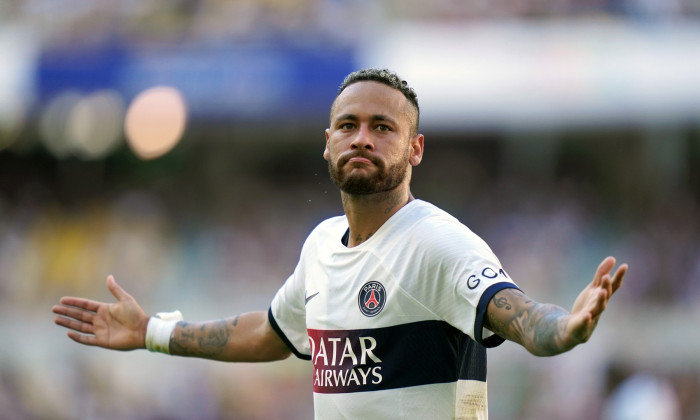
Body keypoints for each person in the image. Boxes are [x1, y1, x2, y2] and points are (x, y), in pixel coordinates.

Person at [52, 68, 628, 419]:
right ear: (327, 143)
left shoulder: (438, 245)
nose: (362, 138)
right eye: (349, 125)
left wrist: (564, 329)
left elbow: (522, 316)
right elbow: (273, 332)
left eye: (384, 127)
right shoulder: (322, 245)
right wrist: (152, 332)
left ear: (416, 149)